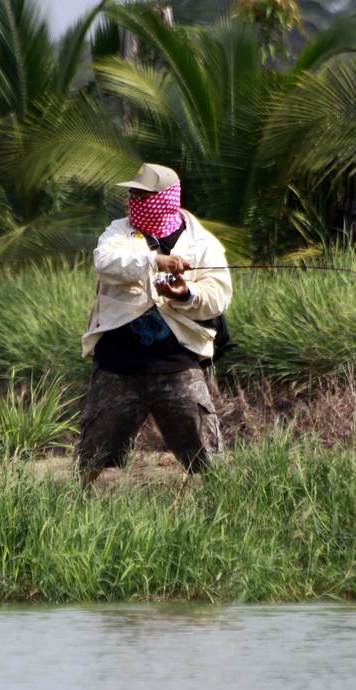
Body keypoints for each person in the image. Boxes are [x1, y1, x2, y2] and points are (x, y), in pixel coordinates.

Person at [76, 163, 233, 488]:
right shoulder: (118, 232)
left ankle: (225, 509)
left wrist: (186, 293)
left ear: (167, 197)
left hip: (177, 364)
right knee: (92, 453)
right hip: (117, 365)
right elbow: (104, 263)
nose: (136, 200)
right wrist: (153, 262)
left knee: (208, 456)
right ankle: (80, 506)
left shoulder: (203, 244)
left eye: (145, 195)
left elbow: (217, 297)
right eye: (133, 193)